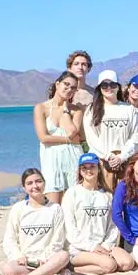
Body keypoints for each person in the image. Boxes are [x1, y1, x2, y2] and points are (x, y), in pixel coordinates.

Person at [0, 168, 71, 275]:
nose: (35, 186)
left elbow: (58, 240)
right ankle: (49, 274)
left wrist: (44, 259)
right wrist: (18, 256)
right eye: (29, 183)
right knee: (7, 269)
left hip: (47, 259)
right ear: (24, 188)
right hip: (25, 262)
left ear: (44, 183)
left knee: (63, 256)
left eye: (38, 181)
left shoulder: (55, 208)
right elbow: (9, 239)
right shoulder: (18, 209)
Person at [62, 153, 134, 275]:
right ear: (80, 171)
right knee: (109, 265)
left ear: (98, 169)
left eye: (92, 166)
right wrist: (92, 247)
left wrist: (106, 245)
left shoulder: (107, 195)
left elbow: (113, 226)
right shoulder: (72, 193)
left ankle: (100, 262)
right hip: (79, 247)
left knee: (127, 263)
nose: (88, 170)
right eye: (84, 168)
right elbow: (69, 228)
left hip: (103, 246)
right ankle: (73, 269)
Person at [83, 69, 138, 191]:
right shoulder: (92, 110)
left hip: (125, 162)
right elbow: (91, 137)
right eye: (104, 85)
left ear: (118, 87)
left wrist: (122, 157)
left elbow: (136, 136)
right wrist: (108, 156)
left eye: (112, 84)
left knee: (126, 198)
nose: (109, 88)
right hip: (102, 162)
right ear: (99, 88)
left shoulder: (128, 109)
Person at [35, 71, 83, 203]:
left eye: (73, 88)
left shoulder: (76, 110)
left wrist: (66, 111)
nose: (69, 89)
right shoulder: (41, 108)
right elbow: (43, 138)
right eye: (66, 85)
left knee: (73, 205)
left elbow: (73, 132)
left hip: (73, 159)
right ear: (57, 84)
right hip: (51, 161)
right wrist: (68, 140)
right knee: (54, 206)